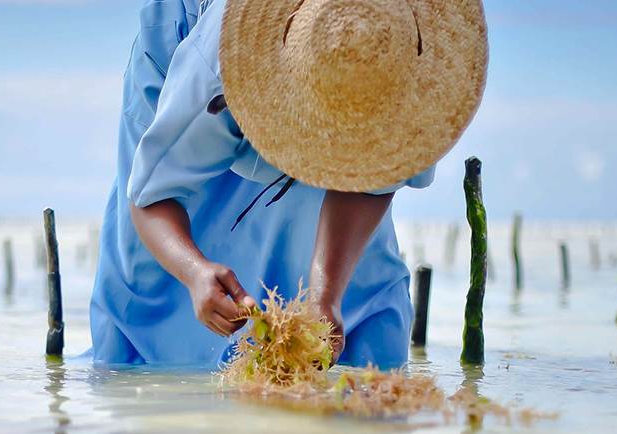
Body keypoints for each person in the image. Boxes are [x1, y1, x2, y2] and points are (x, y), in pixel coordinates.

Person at [90, 0, 488, 368]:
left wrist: (326, 295)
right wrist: (194, 272)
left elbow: (375, 181)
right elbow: (151, 196)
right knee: (162, 343)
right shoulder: (213, 67)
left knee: (362, 376)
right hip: (203, 72)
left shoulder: (414, 55)